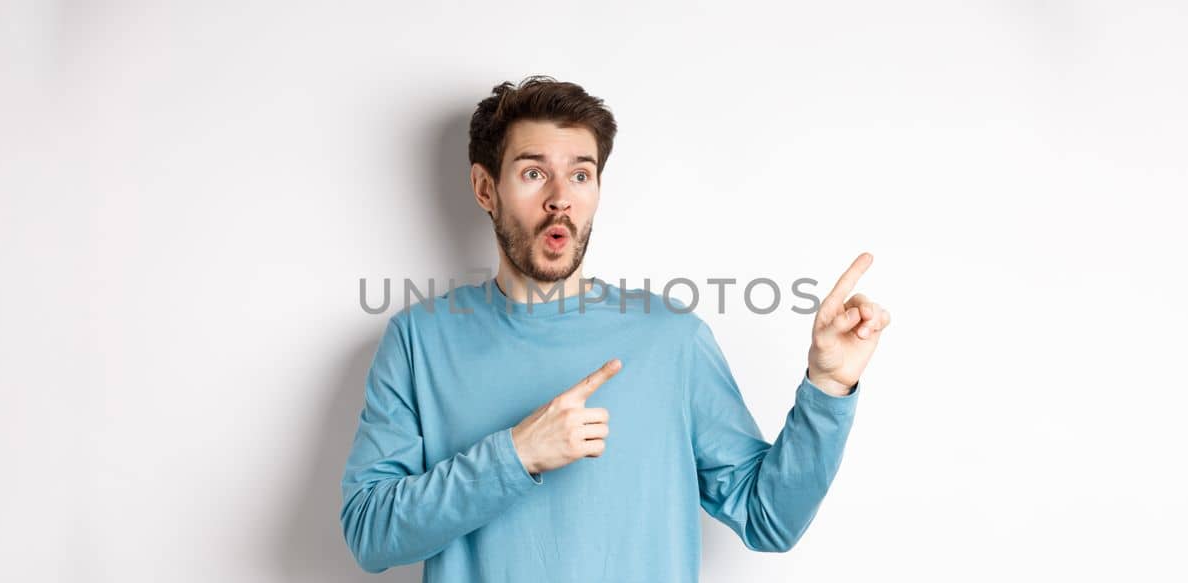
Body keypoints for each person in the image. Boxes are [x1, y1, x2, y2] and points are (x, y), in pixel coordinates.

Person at [339, 75, 891, 582]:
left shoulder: (671, 339)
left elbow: (770, 519)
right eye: (534, 173)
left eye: (580, 174)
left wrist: (828, 387)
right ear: (485, 189)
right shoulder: (420, 340)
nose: (560, 197)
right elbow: (369, 532)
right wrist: (516, 456)